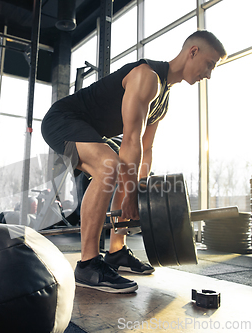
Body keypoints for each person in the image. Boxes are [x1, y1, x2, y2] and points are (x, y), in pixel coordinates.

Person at [41, 30, 227, 293]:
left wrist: (137, 193)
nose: (208, 74)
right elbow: (130, 140)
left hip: (91, 133)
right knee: (110, 166)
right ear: (193, 52)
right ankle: (88, 265)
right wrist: (128, 194)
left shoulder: (163, 100)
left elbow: (145, 149)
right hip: (61, 121)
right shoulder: (147, 76)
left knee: (124, 173)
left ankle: (116, 251)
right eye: (209, 64)